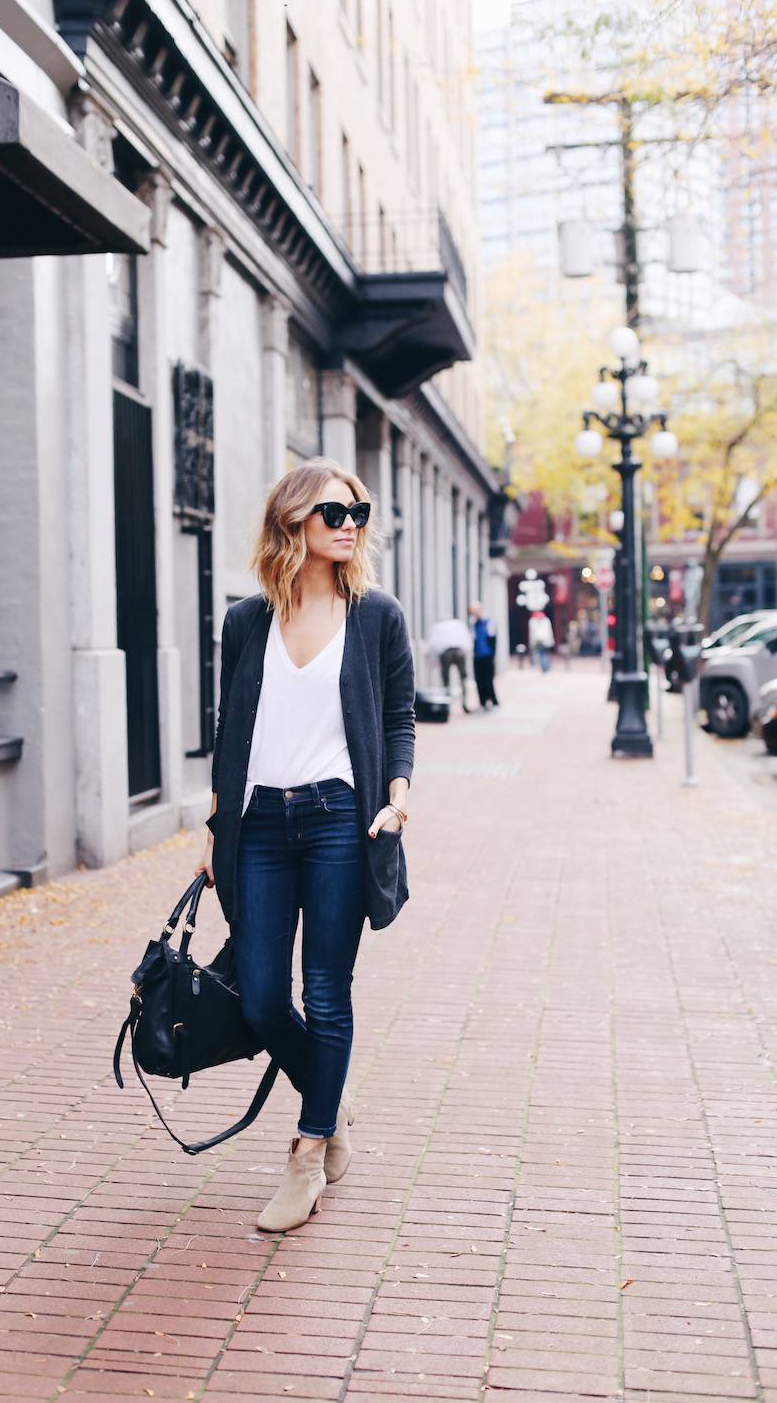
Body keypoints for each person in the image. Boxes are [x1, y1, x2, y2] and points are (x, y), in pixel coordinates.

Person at [197, 457, 415, 1233]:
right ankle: (329, 1090)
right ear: (293, 520)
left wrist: (398, 795)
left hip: (337, 819)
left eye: (358, 511)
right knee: (258, 996)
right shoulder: (244, 622)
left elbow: (397, 719)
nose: (350, 524)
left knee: (325, 990)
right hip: (257, 824)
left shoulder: (377, 616)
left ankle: (308, 1146)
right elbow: (230, 729)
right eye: (333, 511)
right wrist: (216, 824)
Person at [427, 616, 473, 711]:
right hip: (459, 651)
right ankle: (464, 703)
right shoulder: (459, 624)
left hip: (446, 652)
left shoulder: (438, 626)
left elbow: (434, 643)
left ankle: (447, 704)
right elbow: (467, 639)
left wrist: (434, 659)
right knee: (463, 678)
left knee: (446, 680)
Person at [469, 601, 499, 709]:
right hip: (477, 656)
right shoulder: (473, 624)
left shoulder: (489, 623)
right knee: (479, 680)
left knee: (488, 679)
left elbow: (493, 640)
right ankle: (482, 701)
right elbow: (473, 639)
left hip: (487, 656)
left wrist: (492, 656)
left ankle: (492, 700)